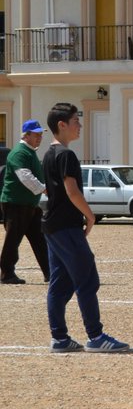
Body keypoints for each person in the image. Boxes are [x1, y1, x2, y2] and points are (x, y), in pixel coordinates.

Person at [41, 103, 129, 353]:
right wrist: (90, 216)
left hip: (52, 226)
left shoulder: (48, 154)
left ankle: (59, 338)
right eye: (75, 121)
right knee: (87, 280)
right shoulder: (66, 155)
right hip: (67, 227)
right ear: (62, 125)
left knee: (60, 283)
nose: (80, 125)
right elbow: (71, 191)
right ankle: (96, 336)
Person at [0, 120, 51, 285]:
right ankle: (7, 273)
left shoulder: (29, 152)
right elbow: (25, 176)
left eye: (41, 135)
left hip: (28, 205)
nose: (39, 138)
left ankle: (51, 273)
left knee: (40, 239)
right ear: (26, 135)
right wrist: (44, 189)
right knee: (13, 240)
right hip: (15, 203)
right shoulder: (19, 153)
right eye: (36, 134)